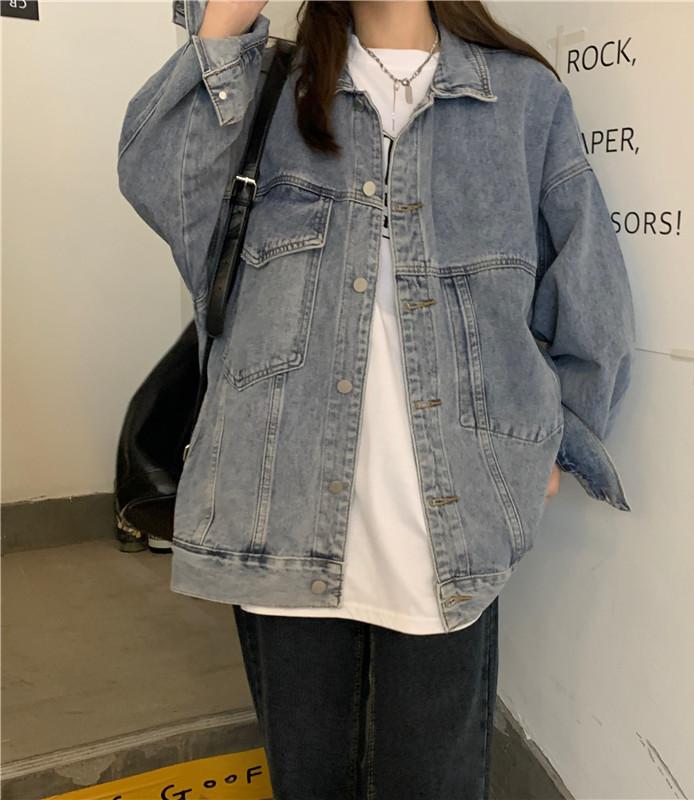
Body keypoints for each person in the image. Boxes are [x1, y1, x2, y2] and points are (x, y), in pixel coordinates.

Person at [117, 0, 636, 797]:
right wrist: (224, 21)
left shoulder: (522, 100)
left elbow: (590, 283)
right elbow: (161, 182)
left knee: (435, 783)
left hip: (451, 529)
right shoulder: (272, 90)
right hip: (280, 515)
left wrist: (563, 435)